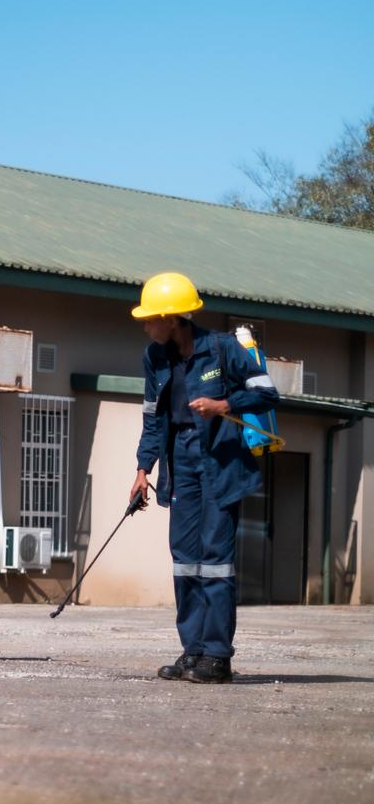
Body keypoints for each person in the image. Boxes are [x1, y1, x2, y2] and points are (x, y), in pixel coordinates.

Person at [130, 272, 279, 684]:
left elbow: (267, 392)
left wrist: (224, 403)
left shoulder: (224, 349)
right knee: (184, 560)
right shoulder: (154, 357)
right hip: (180, 463)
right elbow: (153, 420)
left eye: (151, 319)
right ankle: (192, 651)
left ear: (173, 318)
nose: (146, 327)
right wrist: (143, 470)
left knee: (216, 560)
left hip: (219, 461)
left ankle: (217, 656)